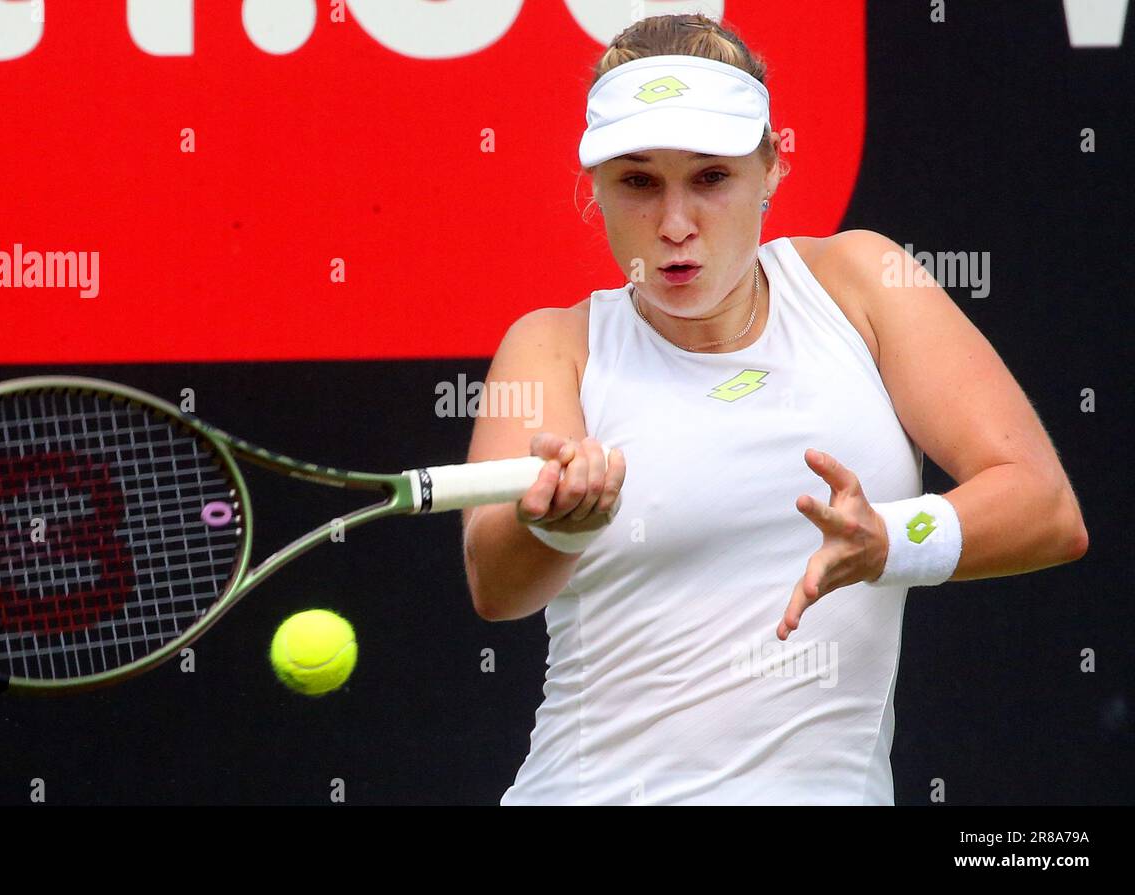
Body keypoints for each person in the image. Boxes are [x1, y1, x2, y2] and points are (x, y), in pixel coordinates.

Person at [460, 13, 1088, 805]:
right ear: (596, 189)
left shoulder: (863, 283)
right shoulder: (553, 345)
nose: (675, 223)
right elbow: (496, 583)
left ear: (773, 168)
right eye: (638, 181)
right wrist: (557, 523)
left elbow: (1045, 505)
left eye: (712, 177)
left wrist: (890, 538)